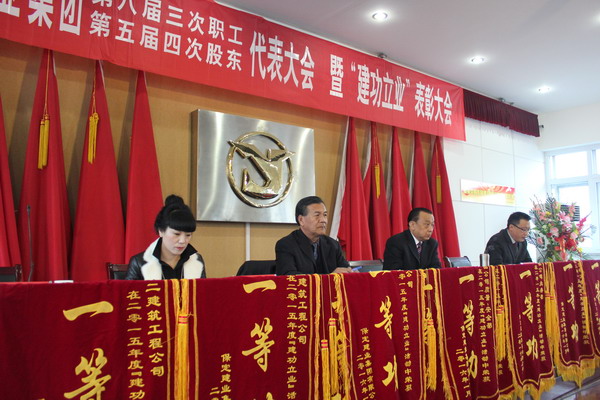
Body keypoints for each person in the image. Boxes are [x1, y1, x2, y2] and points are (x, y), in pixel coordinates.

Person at [126, 195, 206, 280]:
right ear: (161, 231)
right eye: (176, 234)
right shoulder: (139, 263)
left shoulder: (196, 260)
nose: (182, 241)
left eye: (188, 235)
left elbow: (203, 288)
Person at [275, 196, 353, 275]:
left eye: (325, 215)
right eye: (317, 215)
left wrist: (351, 273)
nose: (323, 220)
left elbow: (345, 269)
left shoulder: (333, 245)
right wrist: (329, 278)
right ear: (301, 220)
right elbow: (289, 276)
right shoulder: (286, 245)